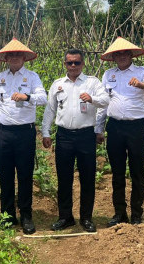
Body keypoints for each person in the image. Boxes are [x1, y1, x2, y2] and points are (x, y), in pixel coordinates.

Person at [96, 37, 144, 227]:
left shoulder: (142, 72)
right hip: (115, 127)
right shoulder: (108, 74)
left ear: (131, 55)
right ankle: (119, 213)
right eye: (118, 53)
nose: (122, 56)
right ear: (113, 57)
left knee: (137, 171)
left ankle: (137, 214)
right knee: (117, 172)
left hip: (136, 128)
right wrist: (98, 128)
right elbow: (102, 102)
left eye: (125, 53)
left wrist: (143, 86)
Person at [42, 48, 107, 233]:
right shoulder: (57, 84)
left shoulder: (92, 82)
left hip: (86, 135)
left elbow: (106, 101)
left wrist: (92, 99)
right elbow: (50, 110)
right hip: (64, 136)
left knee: (87, 178)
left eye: (76, 62)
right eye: (69, 62)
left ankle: (86, 218)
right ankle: (65, 217)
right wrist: (46, 132)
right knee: (64, 178)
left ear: (82, 64)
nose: (73, 66)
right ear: (65, 64)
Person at [0, 38, 47, 234]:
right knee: (5, 175)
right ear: (6, 58)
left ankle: (26, 215)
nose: (14, 58)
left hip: (25, 133)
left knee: (25, 174)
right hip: (3, 132)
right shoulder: (0, 78)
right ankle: (7, 214)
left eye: (17, 55)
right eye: (10, 55)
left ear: (24, 58)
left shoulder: (32, 77)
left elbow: (43, 98)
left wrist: (26, 96)